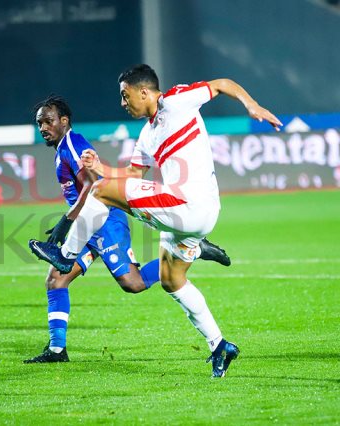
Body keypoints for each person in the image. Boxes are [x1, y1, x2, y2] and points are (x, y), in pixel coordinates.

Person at [29, 64, 283, 377]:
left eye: (125, 95)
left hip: (188, 203)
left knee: (100, 192)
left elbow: (221, 84)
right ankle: (219, 345)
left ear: (144, 91)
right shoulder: (148, 136)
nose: (123, 103)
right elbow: (133, 175)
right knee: (170, 279)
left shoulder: (177, 99)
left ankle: (64, 255)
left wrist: (251, 105)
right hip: (195, 215)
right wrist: (101, 166)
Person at [25, 95, 231, 364]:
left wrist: (66, 222)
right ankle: (56, 350)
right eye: (40, 123)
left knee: (132, 284)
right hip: (88, 226)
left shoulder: (72, 145)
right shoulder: (63, 148)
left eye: (48, 121)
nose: (43, 127)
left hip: (105, 222)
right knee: (56, 279)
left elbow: (93, 185)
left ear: (64, 121)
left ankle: (192, 251)